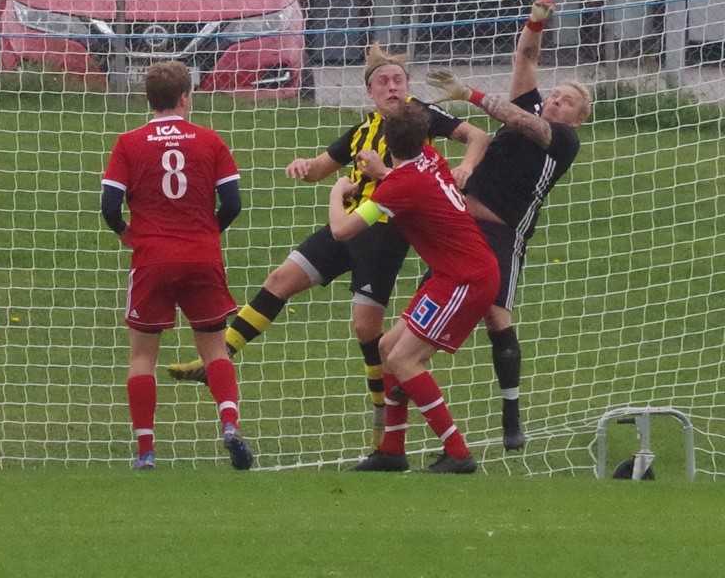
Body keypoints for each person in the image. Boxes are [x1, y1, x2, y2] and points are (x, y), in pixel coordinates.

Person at [168, 43, 489, 451]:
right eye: (383, 82)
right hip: (347, 223)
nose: (392, 87)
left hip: (382, 234)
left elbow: (476, 135)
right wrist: (303, 168)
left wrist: (466, 165)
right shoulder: (362, 130)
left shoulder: (418, 118)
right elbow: (323, 168)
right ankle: (218, 357)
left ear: (408, 86)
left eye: (398, 80)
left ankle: (381, 423)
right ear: (370, 92)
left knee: (366, 329)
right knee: (280, 279)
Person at [426, 0, 591, 450]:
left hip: (502, 233)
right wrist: (536, 20)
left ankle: (511, 415)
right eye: (555, 94)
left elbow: (526, 123)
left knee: (496, 315)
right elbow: (525, 58)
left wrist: (471, 95)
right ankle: (404, 380)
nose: (556, 101)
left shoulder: (561, 140)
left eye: (568, 101)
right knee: (429, 301)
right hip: (458, 222)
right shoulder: (532, 106)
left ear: (578, 119)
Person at [329, 101, 499, 473]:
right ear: (424, 139)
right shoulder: (431, 159)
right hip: (455, 273)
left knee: (404, 360)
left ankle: (458, 454)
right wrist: (383, 171)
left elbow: (342, 231)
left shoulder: (398, 188)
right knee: (389, 347)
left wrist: (337, 192)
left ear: (387, 142)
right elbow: (407, 181)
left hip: (465, 280)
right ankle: (392, 450)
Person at [101, 60, 252, 471]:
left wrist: (124, 232)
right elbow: (234, 204)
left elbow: (110, 207)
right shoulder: (210, 141)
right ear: (186, 98)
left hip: (152, 259)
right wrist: (208, 231)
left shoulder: (128, 143)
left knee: (142, 357)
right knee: (214, 348)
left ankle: (146, 452)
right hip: (202, 256)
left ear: (149, 98)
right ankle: (230, 425)